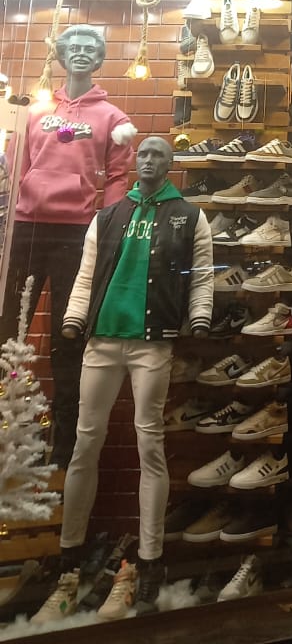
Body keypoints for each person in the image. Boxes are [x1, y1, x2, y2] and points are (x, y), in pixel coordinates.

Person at [31, 136, 213, 624]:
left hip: (153, 342)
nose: (149, 160)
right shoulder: (109, 215)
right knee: (84, 442)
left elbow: (201, 275)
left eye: (158, 155)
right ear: (135, 160)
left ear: (170, 164)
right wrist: (74, 317)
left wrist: (199, 315)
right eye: (143, 154)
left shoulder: (188, 216)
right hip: (102, 339)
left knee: (149, 444)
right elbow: (86, 274)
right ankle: (71, 552)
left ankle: (150, 558)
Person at [0, 23, 136, 466]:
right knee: (7, 324)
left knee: (67, 333)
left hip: (75, 233)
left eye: (89, 48)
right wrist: (18, 202)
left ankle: (62, 448)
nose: (80, 53)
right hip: (26, 227)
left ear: (99, 59)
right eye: (72, 47)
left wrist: (106, 223)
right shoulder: (37, 110)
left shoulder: (112, 118)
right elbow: (15, 162)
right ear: (60, 55)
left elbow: (118, 176)